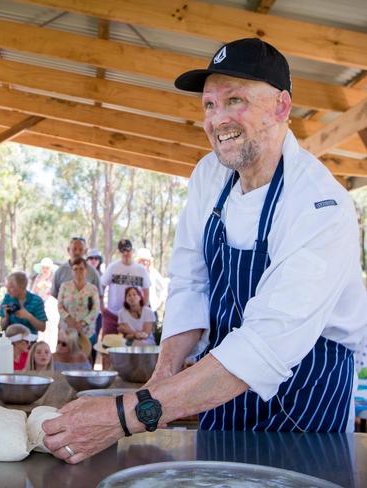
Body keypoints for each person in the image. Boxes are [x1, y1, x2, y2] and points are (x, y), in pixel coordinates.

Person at [41, 38, 367, 465]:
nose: (218, 119)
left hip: (306, 410)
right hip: (218, 395)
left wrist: (126, 416)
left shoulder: (319, 204)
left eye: (236, 101)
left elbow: (265, 345)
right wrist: (160, 383)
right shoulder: (210, 175)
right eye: (209, 105)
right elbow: (191, 283)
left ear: (282, 107)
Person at [100, 239, 150, 336]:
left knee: (131, 346)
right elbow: (102, 286)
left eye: (128, 250)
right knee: (107, 345)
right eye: (122, 251)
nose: (125, 253)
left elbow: (146, 291)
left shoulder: (141, 270)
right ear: (119, 252)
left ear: (132, 251)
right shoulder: (112, 267)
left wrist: (143, 310)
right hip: (113, 315)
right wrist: (102, 307)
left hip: (133, 316)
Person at [57, 257, 100, 339]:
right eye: (75, 269)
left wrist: (82, 324)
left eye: (81, 269)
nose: (78, 271)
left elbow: (95, 309)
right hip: (67, 331)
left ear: (86, 271)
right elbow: (60, 306)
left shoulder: (93, 289)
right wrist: (71, 322)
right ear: (71, 271)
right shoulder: (64, 286)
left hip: (86, 332)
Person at [0, 272, 47, 336]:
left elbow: (42, 328)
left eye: (11, 287)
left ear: (22, 287)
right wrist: (6, 316)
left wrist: (28, 316)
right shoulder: (8, 298)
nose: (8, 290)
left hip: (29, 340)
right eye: (7, 287)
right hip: (10, 339)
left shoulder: (37, 301)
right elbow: (2, 327)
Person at [136, 248, 168, 312]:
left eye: (147, 260)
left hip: (151, 310)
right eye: (142, 260)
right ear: (138, 261)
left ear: (150, 262)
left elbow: (164, 288)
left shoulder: (154, 273)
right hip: (137, 310)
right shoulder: (134, 273)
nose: (144, 262)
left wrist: (159, 303)